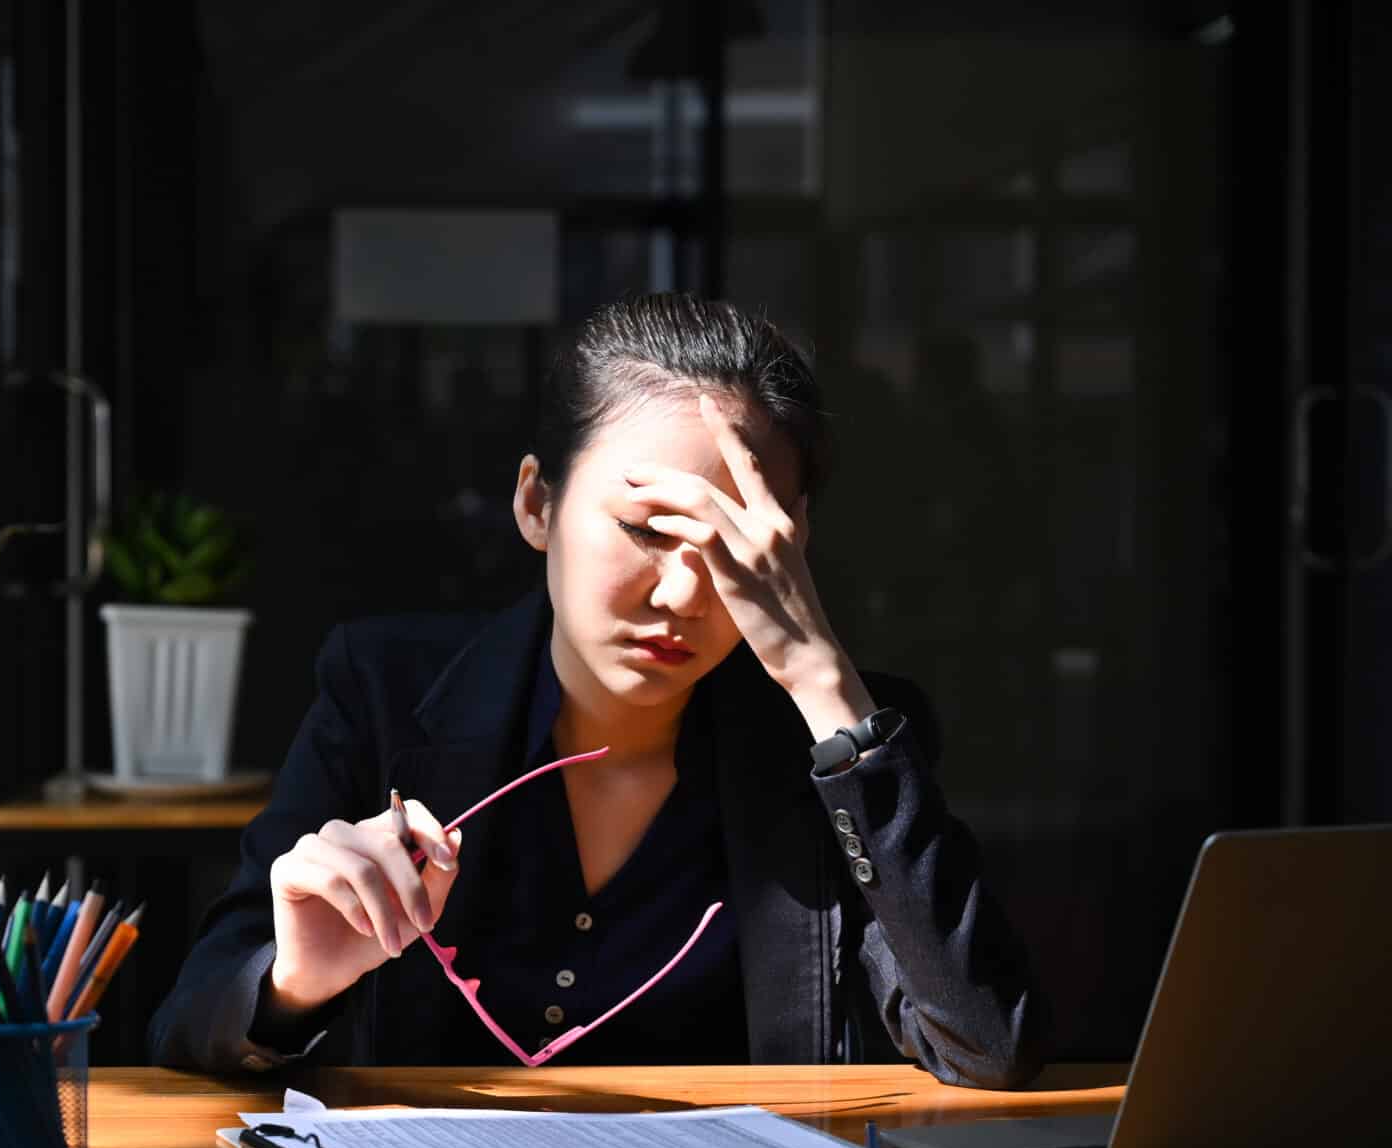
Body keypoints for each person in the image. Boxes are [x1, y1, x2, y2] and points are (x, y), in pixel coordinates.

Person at [148, 295, 1044, 1089]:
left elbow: (986, 1044)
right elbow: (189, 1020)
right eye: (647, 529)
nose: (684, 593)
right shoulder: (382, 692)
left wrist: (820, 680)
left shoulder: (837, 746)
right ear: (536, 504)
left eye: (733, 546)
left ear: (792, 546)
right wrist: (294, 985)